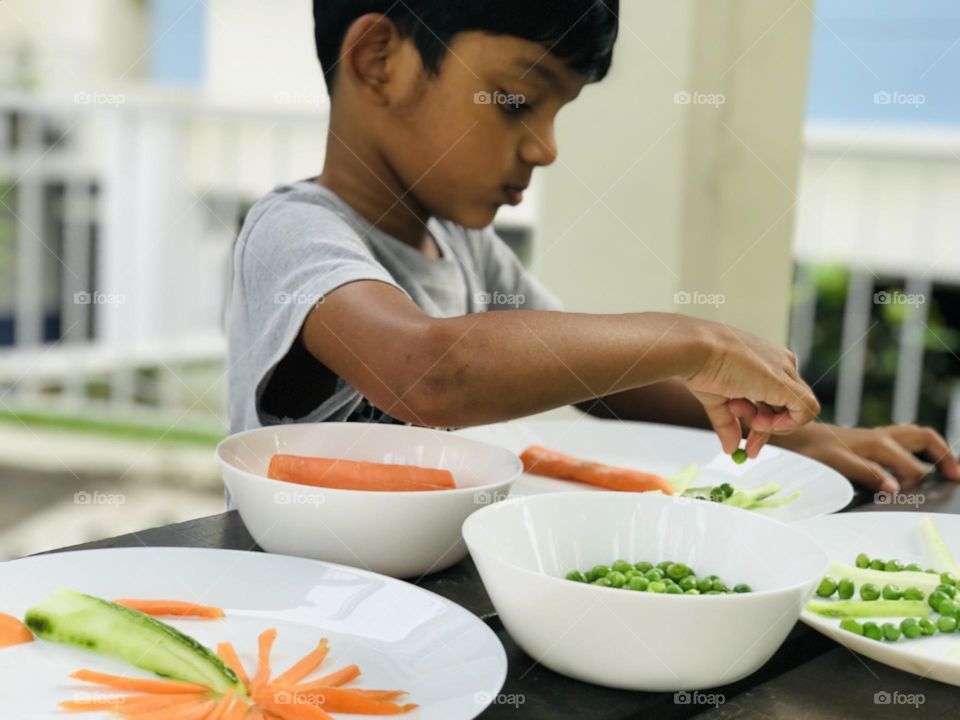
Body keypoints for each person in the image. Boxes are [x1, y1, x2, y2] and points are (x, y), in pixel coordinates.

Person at [227, 0, 958, 501]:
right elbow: (427, 372)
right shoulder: (295, 233)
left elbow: (604, 379)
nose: (545, 147)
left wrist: (800, 439)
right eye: (517, 101)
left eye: (556, 114)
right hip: (304, 612)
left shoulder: (463, 249)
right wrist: (692, 338)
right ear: (380, 60)